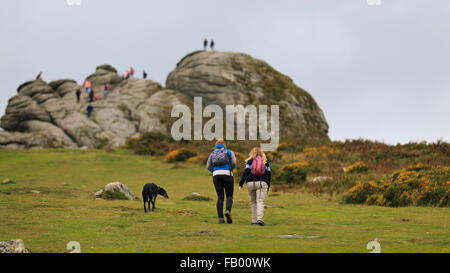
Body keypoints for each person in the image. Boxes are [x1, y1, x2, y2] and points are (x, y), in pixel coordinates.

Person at [239, 147, 271, 226]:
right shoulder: (265, 162)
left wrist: (241, 184)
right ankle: (260, 219)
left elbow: (245, 173)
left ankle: (254, 221)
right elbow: (269, 175)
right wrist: (268, 186)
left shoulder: (250, 162)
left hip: (250, 183)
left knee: (253, 202)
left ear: (252, 153)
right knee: (260, 201)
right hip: (262, 183)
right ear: (261, 153)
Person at [206, 139, 236, 224]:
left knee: (220, 197)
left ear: (216, 145)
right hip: (227, 174)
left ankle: (220, 218)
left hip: (216, 175)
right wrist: (230, 169)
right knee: (229, 195)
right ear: (224, 145)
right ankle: (227, 211)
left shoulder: (212, 153)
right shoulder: (229, 152)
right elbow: (234, 163)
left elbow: (208, 165)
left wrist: (214, 171)